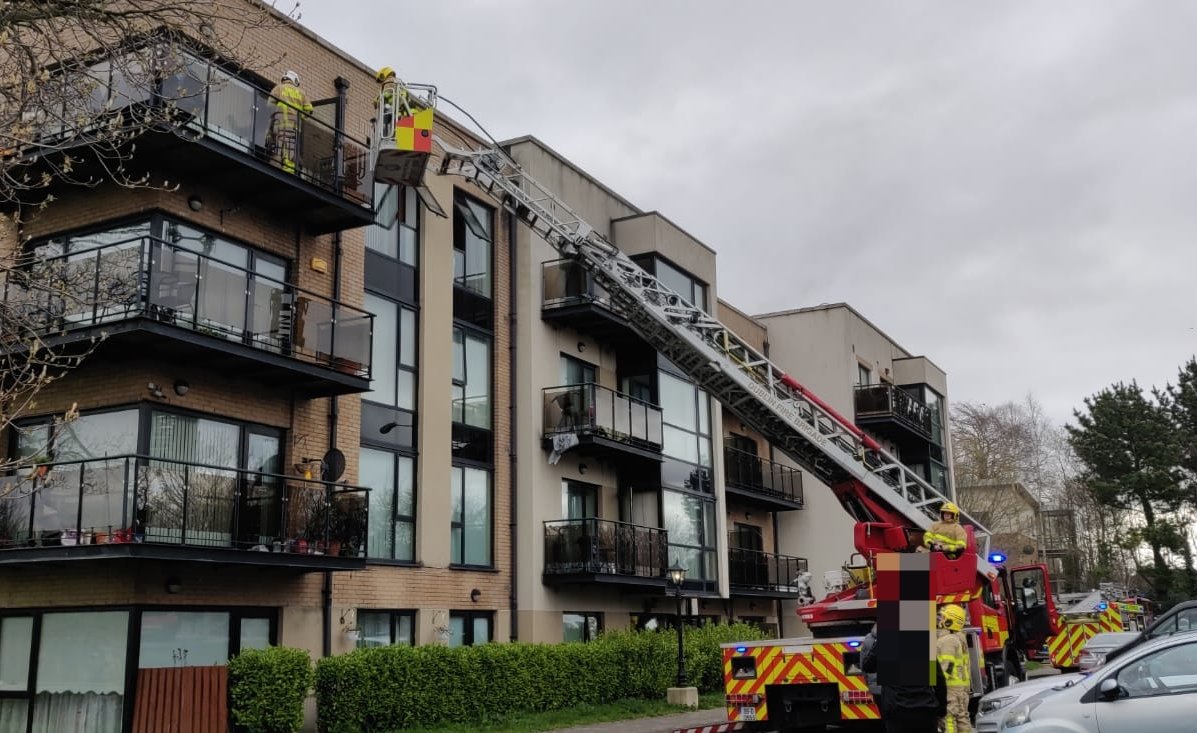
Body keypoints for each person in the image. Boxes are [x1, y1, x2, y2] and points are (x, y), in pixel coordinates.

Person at [862, 624, 947, 733]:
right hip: (925, 709)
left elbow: (867, 666)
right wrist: (941, 710)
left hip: (897, 710)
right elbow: (939, 680)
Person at [936, 604, 972, 733]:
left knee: (948, 718)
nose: (939, 619)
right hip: (958, 687)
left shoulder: (947, 641)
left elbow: (948, 666)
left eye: (942, 617)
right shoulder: (956, 638)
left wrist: (937, 683)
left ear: (950, 620)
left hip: (949, 687)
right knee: (962, 718)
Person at [268, 70, 312, 174]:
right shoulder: (301, 93)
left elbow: (269, 105)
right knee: (290, 147)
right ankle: (289, 171)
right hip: (294, 126)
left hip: (280, 123)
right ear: (295, 80)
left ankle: (279, 166)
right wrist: (300, 116)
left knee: (280, 146)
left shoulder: (278, 88)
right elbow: (309, 110)